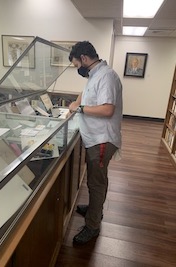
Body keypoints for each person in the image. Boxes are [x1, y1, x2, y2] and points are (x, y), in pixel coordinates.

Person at [68, 41, 123, 245]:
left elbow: (107, 109)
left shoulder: (106, 76)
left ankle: (92, 226)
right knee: (97, 179)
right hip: (95, 137)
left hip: (102, 139)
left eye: (76, 65)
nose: (78, 69)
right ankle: (94, 209)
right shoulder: (94, 74)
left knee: (96, 182)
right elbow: (86, 96)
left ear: (84, 59)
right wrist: (76, 103)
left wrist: (79, 109)